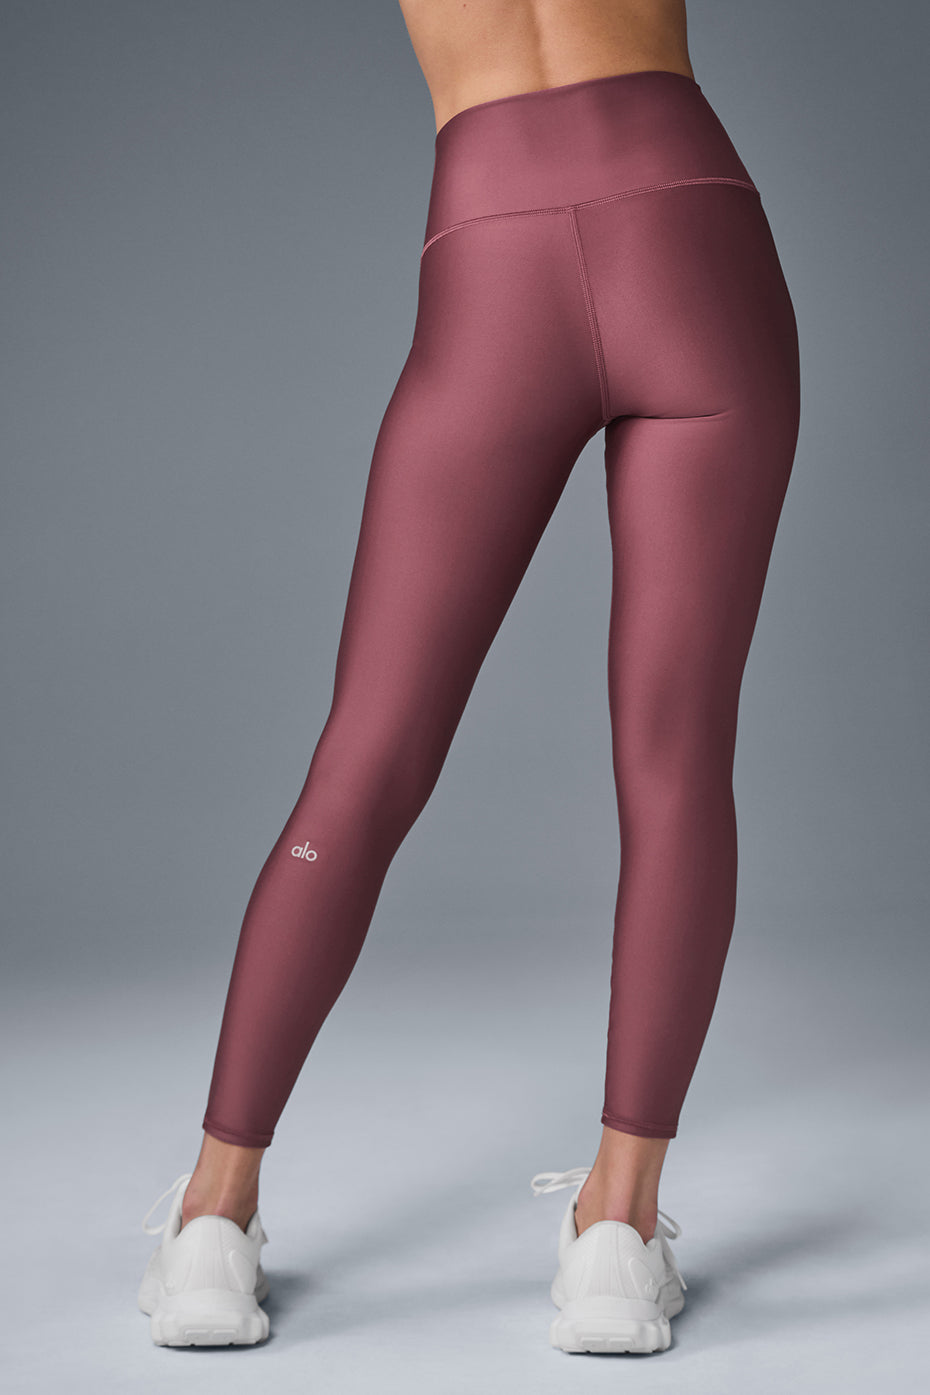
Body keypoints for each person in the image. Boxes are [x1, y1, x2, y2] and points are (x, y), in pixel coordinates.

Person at [137, 0, 800, 1354]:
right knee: (675, 761)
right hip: (689, 225)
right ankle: (617, 1236)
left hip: (494, 242)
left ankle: (213, 1220)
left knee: (366, 759)